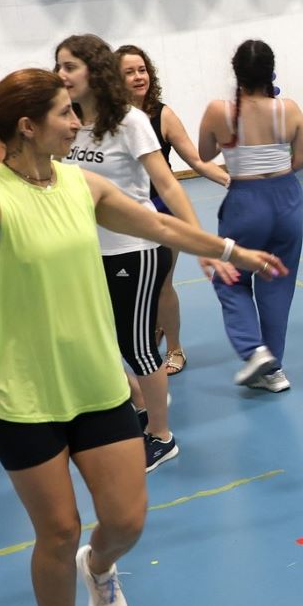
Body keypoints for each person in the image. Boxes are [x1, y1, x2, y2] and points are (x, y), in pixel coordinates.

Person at [0, 70, 285, 606]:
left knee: (125, 520)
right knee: (58, 531)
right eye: (65, 114)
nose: (77, 123)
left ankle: (99, 568)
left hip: (97, 382)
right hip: (22, 396)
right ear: (27, 127)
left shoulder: (82, 185)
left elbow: (162, 227)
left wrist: (231, 251)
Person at [54, 35, 229, 473]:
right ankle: (138, 402)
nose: (61, 74)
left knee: (137, 345)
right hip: (88, 251)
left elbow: (167, 184)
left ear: (94, 71)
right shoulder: (68, 121)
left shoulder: (130, 120)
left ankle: (161, 435)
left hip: (135, 250)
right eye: (58, 66)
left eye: (70, 66)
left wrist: (199, 241)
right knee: (98, 339)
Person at [196, 41, 303, 393]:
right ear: (271, 72)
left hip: (246, 202)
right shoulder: (289, 109)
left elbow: (204, 154)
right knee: (277, 280)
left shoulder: (220, 110)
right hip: (287, 198)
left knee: (230, 277)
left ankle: (254, 350)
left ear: (237, 73)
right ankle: (274, 370)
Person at [117, 44, 230, 376]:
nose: (139, 77)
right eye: (129, 72)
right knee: (137, 287)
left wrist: (230, 181)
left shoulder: (162, 115)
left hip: (162, 210)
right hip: (125, 216)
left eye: (142, 70)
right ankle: (153, 330)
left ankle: (175, 348)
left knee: (162, 283)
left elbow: (196, 160)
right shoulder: (110, 120)